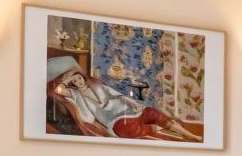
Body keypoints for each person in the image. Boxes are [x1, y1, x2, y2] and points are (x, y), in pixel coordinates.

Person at [44, 55, 198, 141]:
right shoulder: (75, 94)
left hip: (127, 109)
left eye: (79, 78)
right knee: (127, 130)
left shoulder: (98, 86)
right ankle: (160, 128)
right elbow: (59, 89)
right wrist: (68, 78)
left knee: (154, 113)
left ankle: (191, 136)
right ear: (73, 83)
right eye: (75, 81)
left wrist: (133, 103)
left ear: (83, 77)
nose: (79, 81)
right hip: (115, 120)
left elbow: (118, 95)